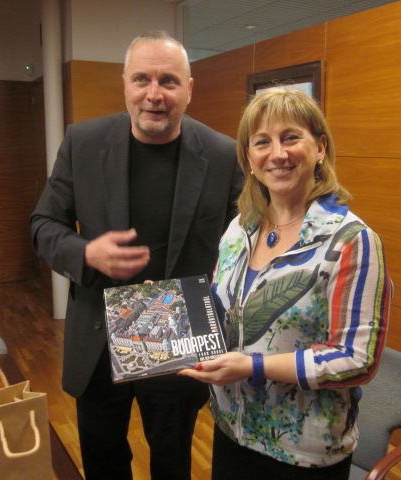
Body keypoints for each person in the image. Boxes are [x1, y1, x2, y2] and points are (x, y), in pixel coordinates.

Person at [30, 31, 243, 480]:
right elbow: (43, 225)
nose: (154, 94)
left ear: (189, 88)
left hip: (178, 335)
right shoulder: (83, 142)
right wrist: (86, 252)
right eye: (142, 79)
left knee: (172, 460)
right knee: (103, 459)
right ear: (125, 83)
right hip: (100, 334)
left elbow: (242, 245)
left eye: (169, 81)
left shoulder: (223, 154)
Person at [178, 88, 392, 480]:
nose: (277, 154)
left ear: (320, 147)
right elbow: (222, 311)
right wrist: (167, 311)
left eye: (291, 137)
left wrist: (253, 367)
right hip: (231, 429)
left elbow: (357, 360)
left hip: (303, 452)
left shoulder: (351, 241)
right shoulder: (240, 228)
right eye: (262, 142)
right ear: (249, 158)